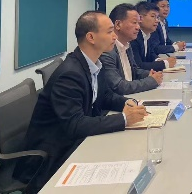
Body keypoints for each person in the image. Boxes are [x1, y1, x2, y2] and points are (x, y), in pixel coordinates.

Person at [16, 11, 147, 192]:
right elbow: (74, 124)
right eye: (109, 31)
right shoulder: (70, 74)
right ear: (91, 37)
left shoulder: (94, 63)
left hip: (74, 140)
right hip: (52, 154)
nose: (115, 36)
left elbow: (105, 96)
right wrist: (124, 119)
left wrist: (129, 102)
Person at [101, 3, 165, 95]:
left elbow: (134, 70)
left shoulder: (127, 45)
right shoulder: (107, 50)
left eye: (138, 23)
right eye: (134, 23)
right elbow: (118, 86)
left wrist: (149, 74)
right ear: (118, 24)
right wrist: (152, 81)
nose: (138, 27)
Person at [131, 1, 174, 71]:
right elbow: (138, 66)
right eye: (153, 16)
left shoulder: (147, 34)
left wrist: (159, 60)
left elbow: (151, 53)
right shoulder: (134, 37)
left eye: (157, 17)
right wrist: (164, 64)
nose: (157, 21)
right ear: (140, 18)